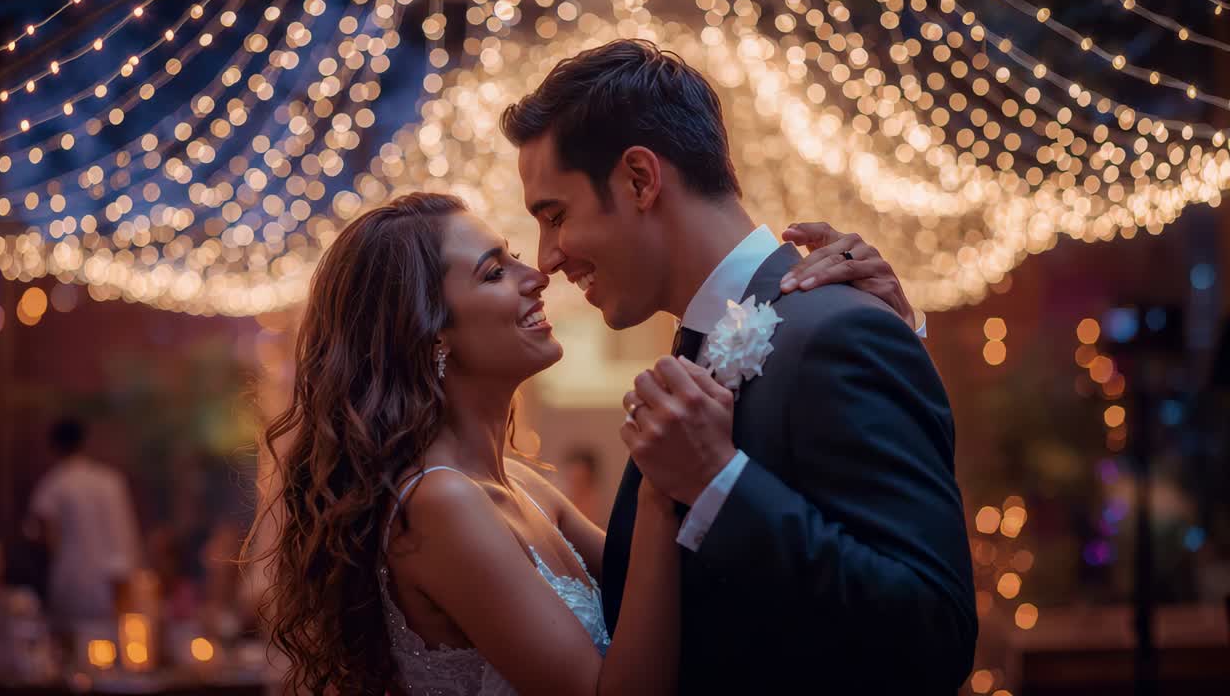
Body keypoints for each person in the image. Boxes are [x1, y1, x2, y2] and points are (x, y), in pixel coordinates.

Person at [255, 189, 919, 695]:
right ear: (429, 333)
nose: (535, 274)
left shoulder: (523, 487)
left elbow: (698, 591)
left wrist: (873, 333)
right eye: (493, 272)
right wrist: (659, 491)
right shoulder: (441, 505)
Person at [503, 39, 976, 693]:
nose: (547, 257)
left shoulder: (836, 332)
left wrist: (719, 482)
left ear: (640, 180)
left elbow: (934, 636)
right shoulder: (704, 345)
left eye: (555, 216)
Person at [28, 418, 142, 636]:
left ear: (54, 446)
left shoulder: (55, 483)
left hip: (72, 584)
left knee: (76, 654)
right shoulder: (111, 481)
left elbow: (44, 534)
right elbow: (125, 536)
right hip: (114, 586)